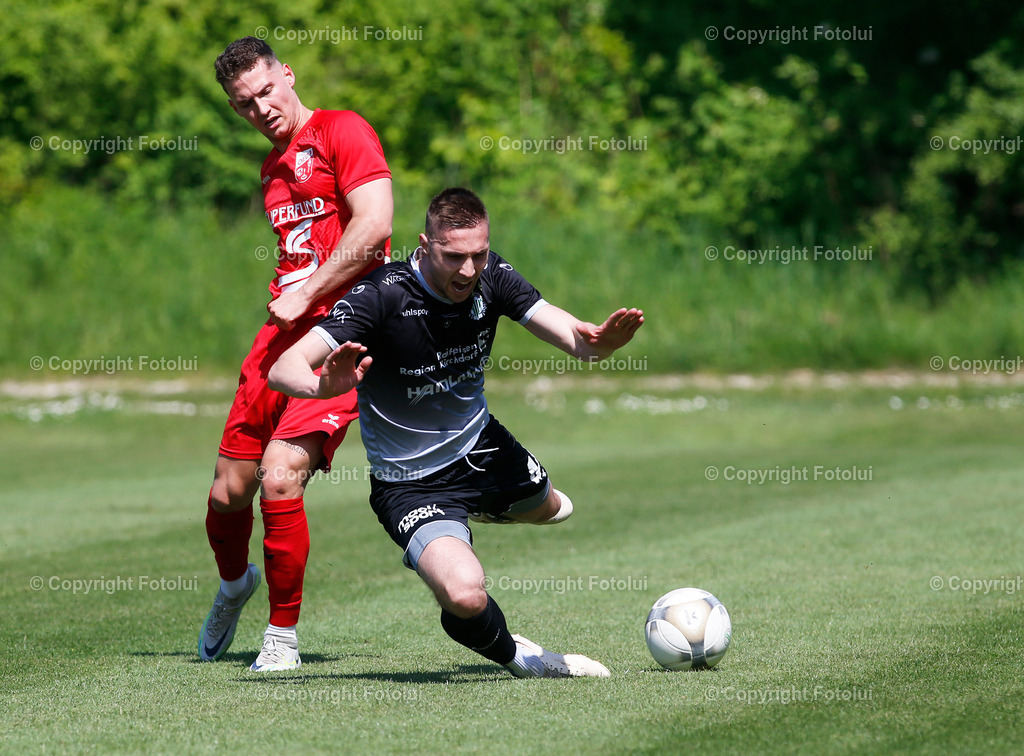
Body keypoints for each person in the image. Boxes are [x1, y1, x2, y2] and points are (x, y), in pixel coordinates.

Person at [268, 188, 643, 677]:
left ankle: (478, 510)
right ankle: (521, 657)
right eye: (453, 256)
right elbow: (283, 368)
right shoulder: (382, 295)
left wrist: (600, 344)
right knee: (464, 594)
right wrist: (321, 386)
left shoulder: (493, 276)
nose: (468, 270)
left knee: (556, 510)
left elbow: (577, 338)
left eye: (478, 254)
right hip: (411, 485)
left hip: (482, 448)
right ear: (425, 245)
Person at [198, 36, 393, 672]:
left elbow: (374, 226)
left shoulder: (342, 130)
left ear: (288, 74)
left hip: (342, 332)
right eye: (244, 104)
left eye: (266, 91)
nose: (261, 108)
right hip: (277, 337)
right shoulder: (272, 167)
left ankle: (281, 641)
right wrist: (293, 293)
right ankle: (234, 586)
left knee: (280, 476)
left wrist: (308, 292)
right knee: (230, 491)